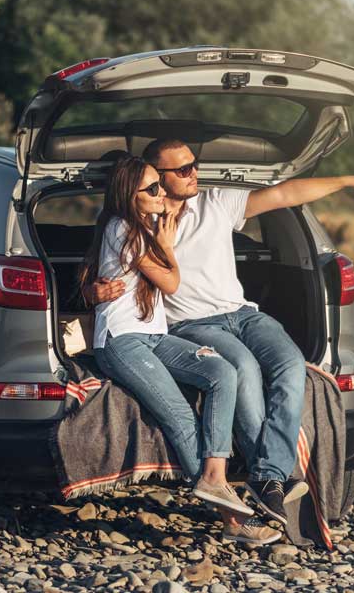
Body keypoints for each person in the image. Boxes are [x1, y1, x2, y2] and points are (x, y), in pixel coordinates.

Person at [91, 139, 354, 527]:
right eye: (182, 170)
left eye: (194, 164)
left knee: (289, 363)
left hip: (243, 313)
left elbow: (286, 193)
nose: (194, 174)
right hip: (192, 324)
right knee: (244, 367)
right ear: (156, 177)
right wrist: (94, 290)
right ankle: (269, 478)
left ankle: (269, 476)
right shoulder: (140, 220)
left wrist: (353, 180)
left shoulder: (215, 202)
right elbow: (119, 270)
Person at [81, 155, 281, 545]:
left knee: (223, 372)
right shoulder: (125, 229)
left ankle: (214, 476)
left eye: (160, 185)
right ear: (130, 195)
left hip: (154, 337)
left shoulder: (141, 227)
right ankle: (233, 520)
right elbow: (171, 282)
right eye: (152, 188)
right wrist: (166, 246)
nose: (161, 193)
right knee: (178, 413)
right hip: (122, 341)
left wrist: (161, 238)